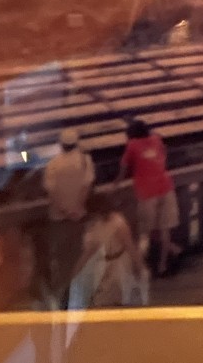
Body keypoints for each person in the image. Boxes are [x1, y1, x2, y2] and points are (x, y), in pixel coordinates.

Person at [114, 119, 181, 275]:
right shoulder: (156, 139)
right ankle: (163, 265)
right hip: (165, 186)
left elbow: (123, 169)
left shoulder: (132, 146)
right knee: (164, 229)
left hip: (147, 191)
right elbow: (164, 152)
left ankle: (139, 267)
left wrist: (115, 185)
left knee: (145, 231)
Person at [42, 128, 95, 306]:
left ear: (61, 144)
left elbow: (52, 193)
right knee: (80, 257)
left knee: (62, 259)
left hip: (59, 218)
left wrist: (65, 211)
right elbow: (86, 186)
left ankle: (64, 297)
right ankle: (81, 296)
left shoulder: (53, 164)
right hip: (79, 216)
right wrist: (76, 209)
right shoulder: (84, 160)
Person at [69, 192, 145, 309]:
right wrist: (76, 272)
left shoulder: (118, 223)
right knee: (102, 300)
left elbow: (130, 246)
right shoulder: (94, 226)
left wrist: (138, 267)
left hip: (119, 267)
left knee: (117, 299)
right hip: (103, 266)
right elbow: (88, 252)